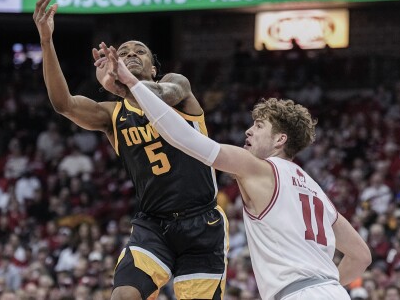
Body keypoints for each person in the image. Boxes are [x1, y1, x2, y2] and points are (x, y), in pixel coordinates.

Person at [102, 46, 372, 300]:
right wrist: (327, 286)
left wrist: (132, 86)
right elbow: (361, 255)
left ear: (280, 140)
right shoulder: (314, 189)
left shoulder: (259, 168)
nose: (248, 131)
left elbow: (184, 137)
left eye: (258, 126)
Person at [33, 0, 228, 300]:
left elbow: (159, 95)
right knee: (123, 295)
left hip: (202, 222)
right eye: (123, 53)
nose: (131, 54)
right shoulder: (112, 115)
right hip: (153, 224)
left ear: (153, 69)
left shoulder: (177, 87)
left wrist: (122, 83)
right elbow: (63, 104)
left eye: (140, 52)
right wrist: (46, 41)